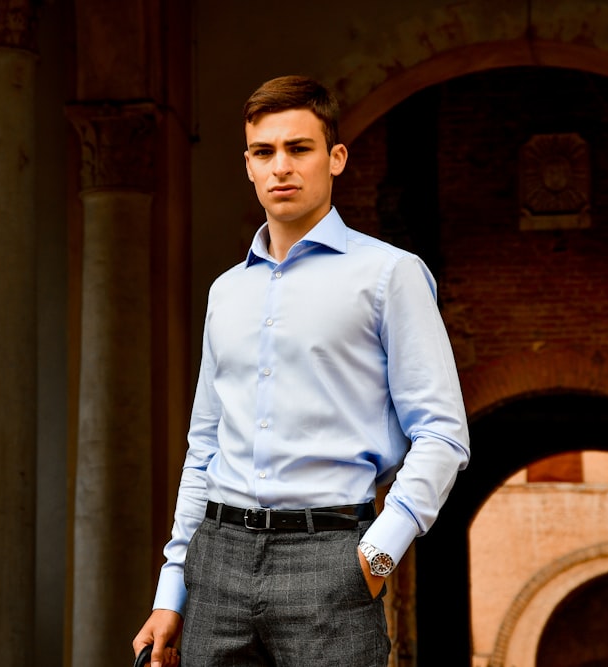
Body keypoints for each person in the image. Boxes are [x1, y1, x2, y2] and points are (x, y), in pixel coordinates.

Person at [133, 74, 470, 666]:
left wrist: (377, 557)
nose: (280, 166)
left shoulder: (390, 275)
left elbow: (443, 435)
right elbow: (204, 448)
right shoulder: (226, 293)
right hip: (217, 562)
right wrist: (172, 590)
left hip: (331, 563)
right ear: (248, 165)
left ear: (335, 158)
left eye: (299, 148)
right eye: (264, 152)